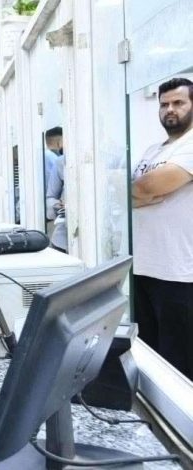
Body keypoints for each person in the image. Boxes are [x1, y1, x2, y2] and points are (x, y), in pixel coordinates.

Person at [131, 77, 193, 380]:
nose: (170, 109)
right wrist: (140, 194)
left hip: (180, 274)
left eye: (178, 103)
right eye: (164, 104)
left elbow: (146, 186)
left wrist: (140, 194)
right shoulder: (153, 150)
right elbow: (125, 191)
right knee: (150, 356)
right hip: (144, 268)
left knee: (179, 366)